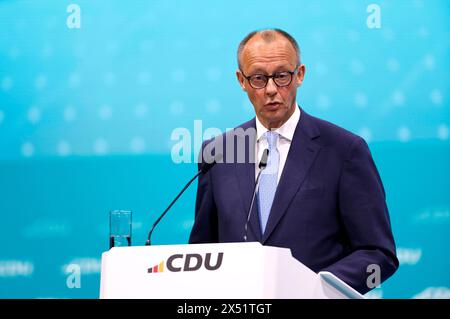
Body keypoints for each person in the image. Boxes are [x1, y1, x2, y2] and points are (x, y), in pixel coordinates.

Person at [189, 28, 399, 294]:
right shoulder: (219, 152)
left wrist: (318, 286)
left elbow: (378, 252)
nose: (271, 89)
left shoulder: (344, 150)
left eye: (281, 76)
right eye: (258, 78)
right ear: (241, 81)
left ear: (299, 75)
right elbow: (202, 252)